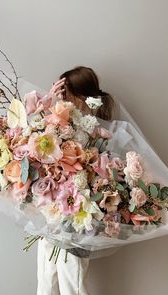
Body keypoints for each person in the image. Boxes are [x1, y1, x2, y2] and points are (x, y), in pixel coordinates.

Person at [37, 66, 116, 295]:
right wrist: (51, 104)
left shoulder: (92, 129)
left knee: (73, 283)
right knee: (46, 282)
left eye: (65, 92)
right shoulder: (63, 121)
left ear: (74, 94)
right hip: (52, 218)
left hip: (77, 220)